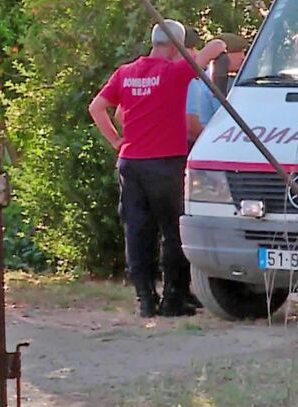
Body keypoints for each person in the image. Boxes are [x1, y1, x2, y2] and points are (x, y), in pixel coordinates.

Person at [89, 19, 227, 317]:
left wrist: (115, 141)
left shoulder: (125, 73)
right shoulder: (175, 72)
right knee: (173, 232)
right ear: (177, 46)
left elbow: (96, 108)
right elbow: (212, 50)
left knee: (137, 231)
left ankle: (145, 299)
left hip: (130, 163)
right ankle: (173, 298)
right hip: (165, 163)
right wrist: (218, 45)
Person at [186, 33, 249, 138]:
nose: (243, 57)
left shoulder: (210, 79)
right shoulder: (212, 83)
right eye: (237, 52)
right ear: (222, 56)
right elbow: (226, 117)